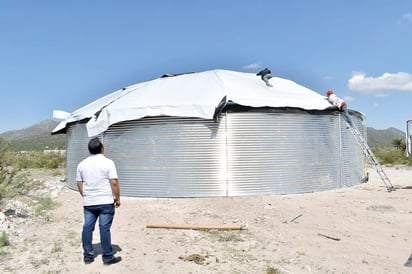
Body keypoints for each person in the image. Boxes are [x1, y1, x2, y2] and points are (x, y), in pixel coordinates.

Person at [76, 137, 122, 265]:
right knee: (104, 228)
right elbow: (114, 182)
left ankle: (88, 256)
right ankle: (107, 257)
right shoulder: (108, 163)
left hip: (89, 202)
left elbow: (79, 183)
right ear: (101, 148)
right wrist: (117, 198)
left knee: (87, 227)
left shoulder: (81, 164)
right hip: (105, 202)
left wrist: (85, 195)